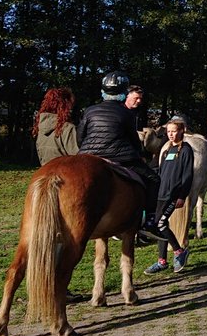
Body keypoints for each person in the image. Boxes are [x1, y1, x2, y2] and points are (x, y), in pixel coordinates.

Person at [77, 71, 174, 243]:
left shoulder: (89, 110)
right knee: (154, 179)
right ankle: (150, 221)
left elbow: (80, 138)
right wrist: (138, 155)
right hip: (120, 156)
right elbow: (133, 141)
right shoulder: (126, 114)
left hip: (88, 155)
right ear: (123, 93)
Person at [144, 117, 193, 274]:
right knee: (158, 226)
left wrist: (182, 196)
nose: (171, 134)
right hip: (161, 194)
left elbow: (187, 175)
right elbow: (160, 172)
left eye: (174, 131)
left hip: (174, 195)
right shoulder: (166, 151)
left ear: (181, 131)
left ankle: (179, 252)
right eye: (169, 132)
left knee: (161, 224)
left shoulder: (185, 150)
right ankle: (162, 261)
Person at [33, 87, 78, 166]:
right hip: (64, 174)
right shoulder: (68, 128)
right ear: (65, 106)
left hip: (46, 172)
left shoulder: (39, 128)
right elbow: (77, 158)